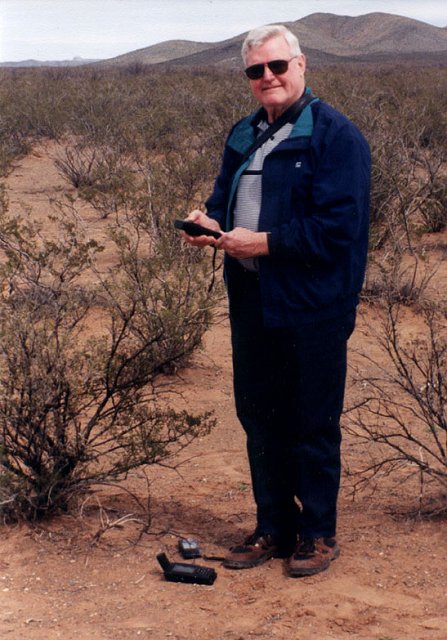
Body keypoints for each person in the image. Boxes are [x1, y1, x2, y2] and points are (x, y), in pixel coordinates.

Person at [182, 24, 370, 577]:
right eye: (255, 71)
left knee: (311, 418)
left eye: (277, 66)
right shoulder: (244, 133)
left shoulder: (336, 136)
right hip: (252, 298)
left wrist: (262, 242)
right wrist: (208, 222)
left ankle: (316, 532)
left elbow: (339, 229)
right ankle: (272, 525)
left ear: (302, 64)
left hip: (313, 303)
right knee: (259, 416)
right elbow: (224, 196)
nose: (268, 78)